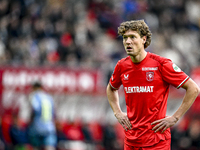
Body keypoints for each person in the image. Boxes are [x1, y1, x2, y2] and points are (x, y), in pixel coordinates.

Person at [106, 20, 200, 150]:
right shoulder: (122, 66)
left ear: (144, 39)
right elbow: (111, 89)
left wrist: (175, 117)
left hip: (156, 141)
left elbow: (193, 88)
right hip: (131, 139)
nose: (128, 42)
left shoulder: (161, 64)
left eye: (133, 37)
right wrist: (117, 113)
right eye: (125, 38)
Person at [27, 81, 57, 150]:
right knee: (50, 146)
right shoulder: (48, 97)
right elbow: (53, 113)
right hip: (49, 127)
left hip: (37, 127)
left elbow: (34, 110)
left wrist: (30, 123)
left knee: (36, 146)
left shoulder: (34, 96)